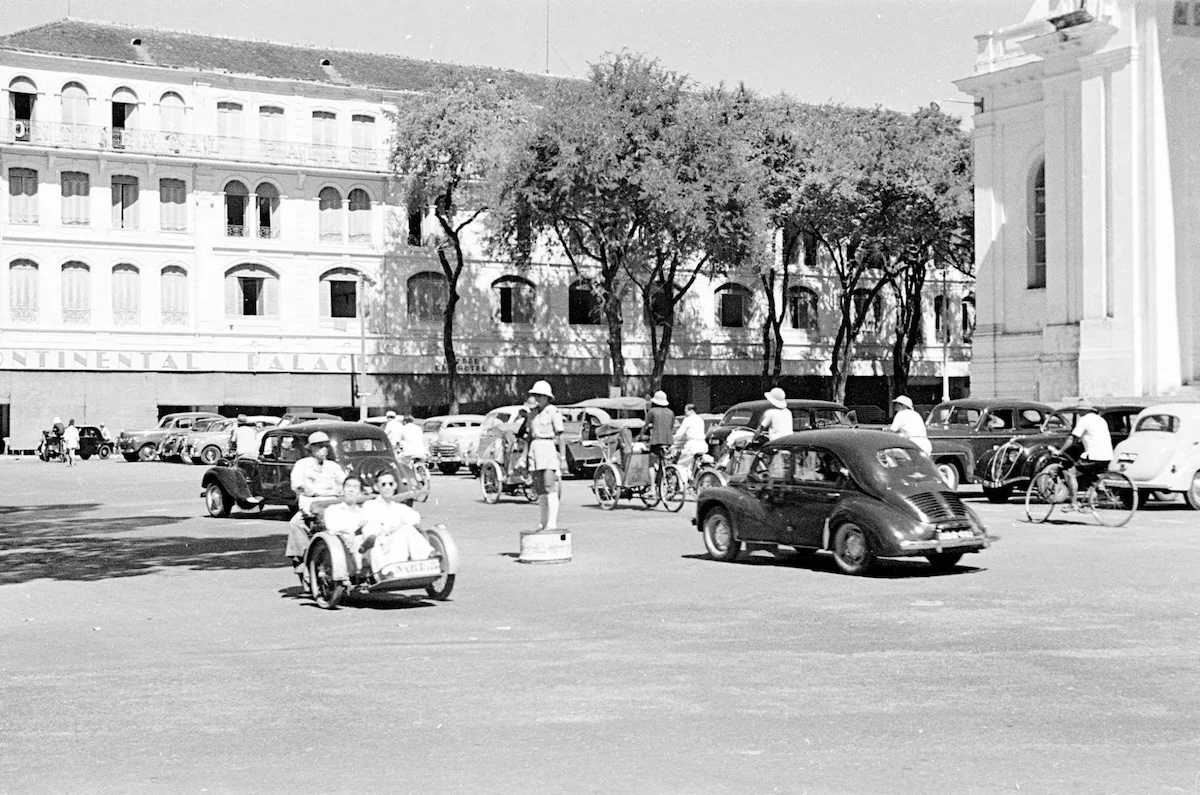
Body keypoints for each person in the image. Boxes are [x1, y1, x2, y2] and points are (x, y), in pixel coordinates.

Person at [285, 431, 347, 577]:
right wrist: (309, 490)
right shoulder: (302, 465)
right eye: (320, 447)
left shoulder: (333, 466)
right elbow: (298, 485)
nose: (324, 449)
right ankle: (301, 557)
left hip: (333, 503)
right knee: (295, 524)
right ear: (311, 449)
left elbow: (344, 482)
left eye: (326, 446)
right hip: (312, 504)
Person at [363, 473, 434, 577]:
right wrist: (387, 531)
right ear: (376, 487)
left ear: (395, 486)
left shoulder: (398, 507)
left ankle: (428, 556)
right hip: (380, 543)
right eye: (383, 484)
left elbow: (415, 517)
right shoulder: (370, 505)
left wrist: (399, 526)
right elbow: (370, 524)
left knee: (406, 529)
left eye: (390, 484)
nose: (387, 487)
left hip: (397, 542)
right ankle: (386, 572)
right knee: (389, 534)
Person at [1050, 403, 1113, 512]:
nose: (1078, 412)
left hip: (1094, 455)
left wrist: (1060, 451)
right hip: (1107, 455)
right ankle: (1096, 496)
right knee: (1091, 473)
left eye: (1080, 410)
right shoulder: (1101, 420)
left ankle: (1073, 503)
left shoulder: (1084, 420)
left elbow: (1072, 438)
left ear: (1085, 410)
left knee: (1071, 473)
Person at [525, 380, 566, 532]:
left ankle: (552, 522)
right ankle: (543, 521)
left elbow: (560, 435)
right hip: (535, 449)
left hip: (547, 447)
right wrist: (524, 457)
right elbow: (529, 437)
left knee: (549, 485)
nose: (539, 398)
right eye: (537, 395)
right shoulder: (532, 413)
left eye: (542, 396)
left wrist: (562, 458)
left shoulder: (553, 412)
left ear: (548, 398)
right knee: (539, 488)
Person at [322, 475, 373, 573]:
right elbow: (331, 526)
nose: (351, 490)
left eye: (355, 487)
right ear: (343, 489)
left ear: (360, 492)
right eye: (348, 486)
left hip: (363, 541)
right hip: (343, 543)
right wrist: (349, 532)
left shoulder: (363, 512)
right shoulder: (333, 509)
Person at [640, 390, 675, 467]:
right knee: (664, 462)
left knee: (651, 463)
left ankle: (652, 479)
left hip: (656, 440)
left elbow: (646, 425)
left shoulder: (652, 411)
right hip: (668, 441)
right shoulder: (671, 412)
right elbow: (671, 426)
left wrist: (640, 435)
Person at [672, 403, 708, 475]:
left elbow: (679, 434)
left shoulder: (687, 420)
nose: (685, 413)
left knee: (681, 465)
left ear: (691, 410)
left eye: (685, 411)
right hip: (703, 445)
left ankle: (684, 483)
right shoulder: (700, 419)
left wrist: (672, 439)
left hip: (692, 446)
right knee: (694, 466)